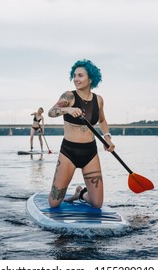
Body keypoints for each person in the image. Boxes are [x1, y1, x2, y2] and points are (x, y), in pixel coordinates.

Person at [47, 59, 115, 208]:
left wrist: (107, 138)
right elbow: (51, 112)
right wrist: (68, 109)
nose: (76, 79)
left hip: (90, 152)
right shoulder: (69, 96)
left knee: (97, 203)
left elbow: (102, 121)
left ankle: (81, 194)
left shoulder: (98, 100)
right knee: (54, 203)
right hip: (69, 152)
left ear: (90, 79)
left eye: (80, 76)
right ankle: (69, 192)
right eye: (74, 75)